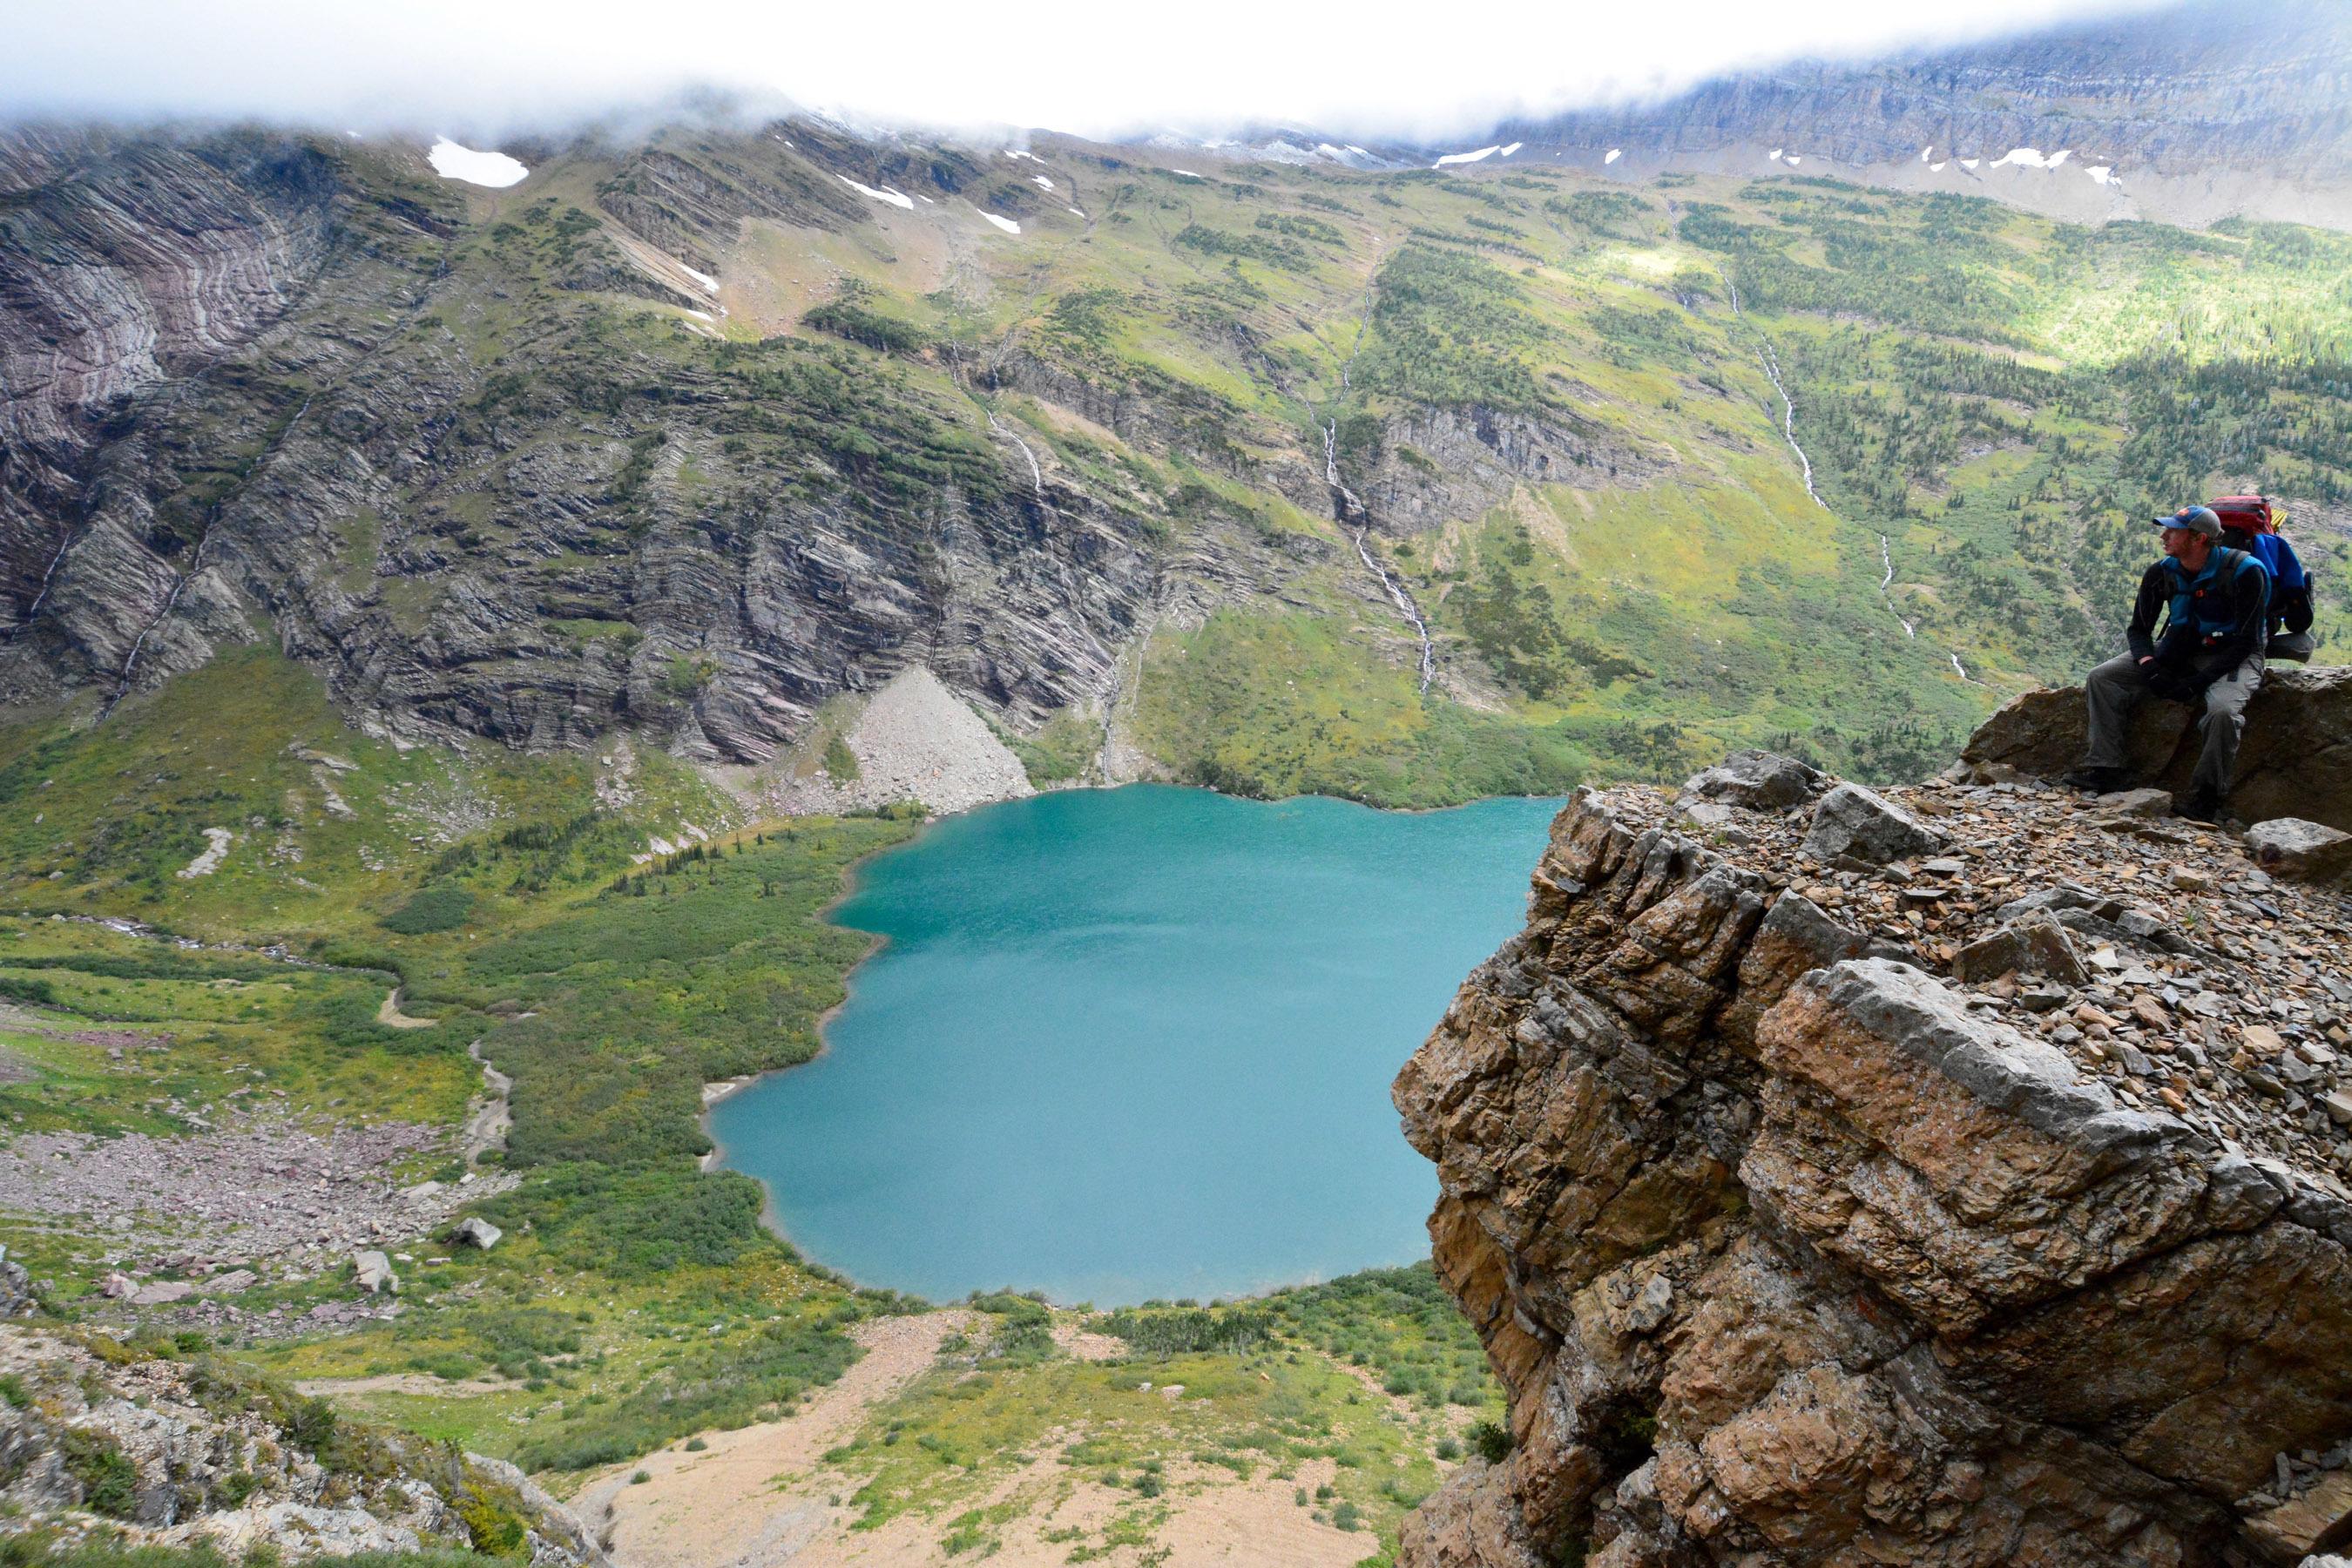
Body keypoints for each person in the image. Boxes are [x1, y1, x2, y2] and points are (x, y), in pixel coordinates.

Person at [2062, 505, 2270, 821]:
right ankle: (2106, 768)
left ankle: (2206, 797)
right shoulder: (2161, 571)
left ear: (2200, 538)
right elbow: (2139, 630)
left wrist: (2196, 684)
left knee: (2223, 713)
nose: (2164, 536)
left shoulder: (2247, 571)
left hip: (2234, 655)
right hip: (2180, 648)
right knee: (2103, 678)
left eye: (2173, 531)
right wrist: (2149, 666)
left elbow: (2247, 641)